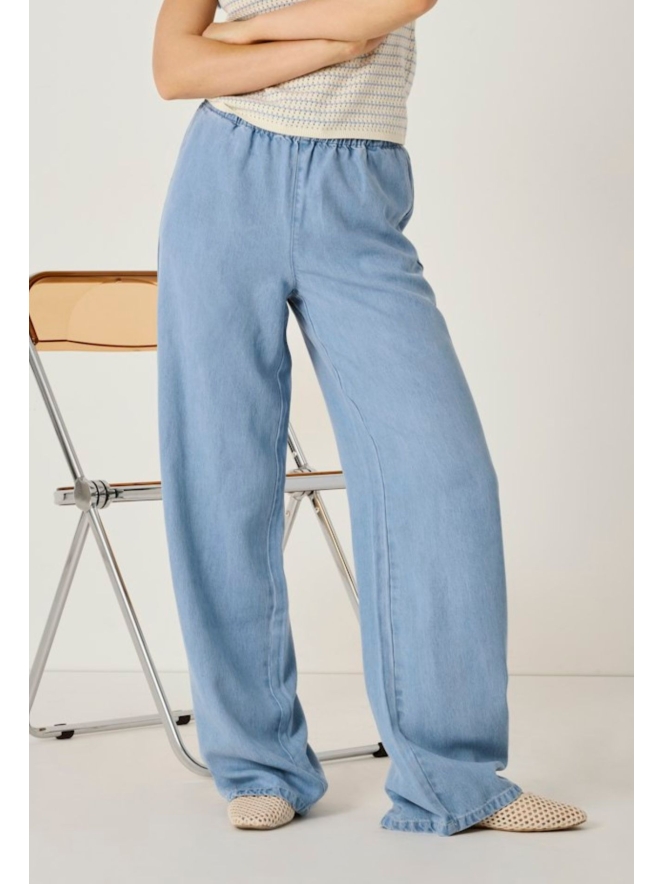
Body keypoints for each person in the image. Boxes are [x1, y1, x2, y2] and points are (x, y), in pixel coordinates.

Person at [152, 0, 587, 834]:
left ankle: (451, 779)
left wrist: (239, 34)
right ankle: (256, 764)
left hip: (358, 191)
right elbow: (175, 68)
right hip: (222, 180)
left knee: (442, 473)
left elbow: (391, 9)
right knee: (220, 476)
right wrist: (321, 39)